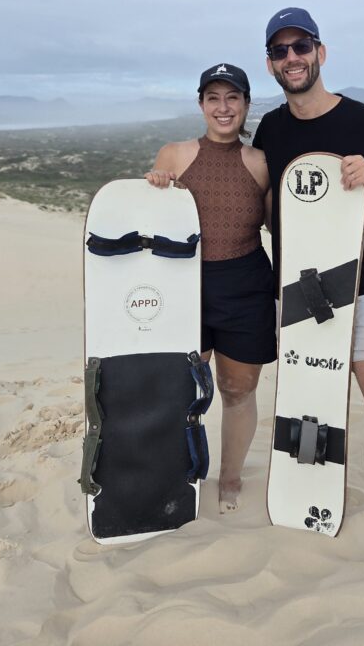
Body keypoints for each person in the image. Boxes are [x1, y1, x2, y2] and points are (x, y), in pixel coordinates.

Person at [252, 8, 364, 607]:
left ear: (321, 52)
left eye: (300, 46)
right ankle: (302, 504)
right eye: (279, 51)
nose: (291, 59)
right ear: (271, 64)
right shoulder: (272, 133)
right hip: (297, 292)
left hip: (361, 282)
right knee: (306, 402)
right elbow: (255, 205)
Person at [145, 63, 276, 513]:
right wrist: (157, 187)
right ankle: (181, 473)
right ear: (201, 104)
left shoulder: (260, 162)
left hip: (245, 286)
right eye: (214, 98)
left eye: (233, 98)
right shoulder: (174, 154)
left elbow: (280, 226)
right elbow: (148, 223)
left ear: (245, 104)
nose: (224, 107)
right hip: (186, 287)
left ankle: (232, 476)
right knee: (184, 392)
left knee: (238, 388)